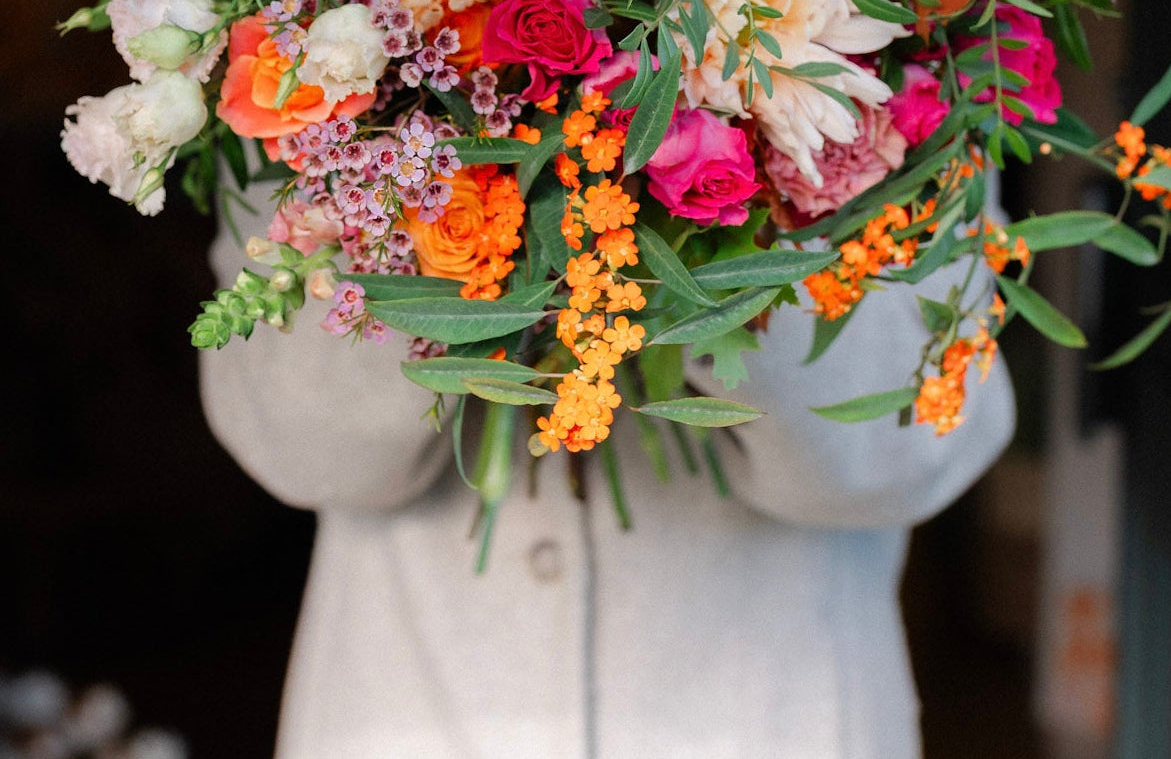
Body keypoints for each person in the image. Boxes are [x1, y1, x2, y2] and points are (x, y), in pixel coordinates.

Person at [201, 189, 1014, 759]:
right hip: (413, 710)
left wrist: (713, 205)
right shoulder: (303, 46)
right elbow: (301, 448)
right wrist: (439, 183)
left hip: (770, 712)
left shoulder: (910, 43)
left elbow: (905, 450)